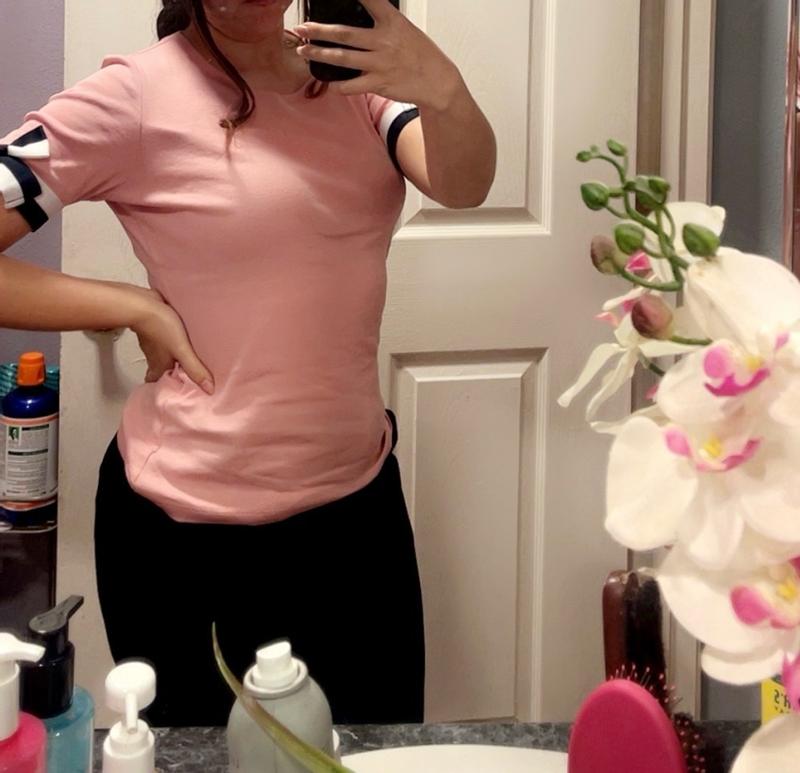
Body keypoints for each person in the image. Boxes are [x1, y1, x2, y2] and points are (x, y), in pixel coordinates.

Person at [0, 0, 496, 726]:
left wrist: (442, 86)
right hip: (189, 538)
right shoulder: (134, 96)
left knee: (375, 756)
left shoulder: (349, 77)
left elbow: (464, 184)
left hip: (358, 516)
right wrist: (129, 305)